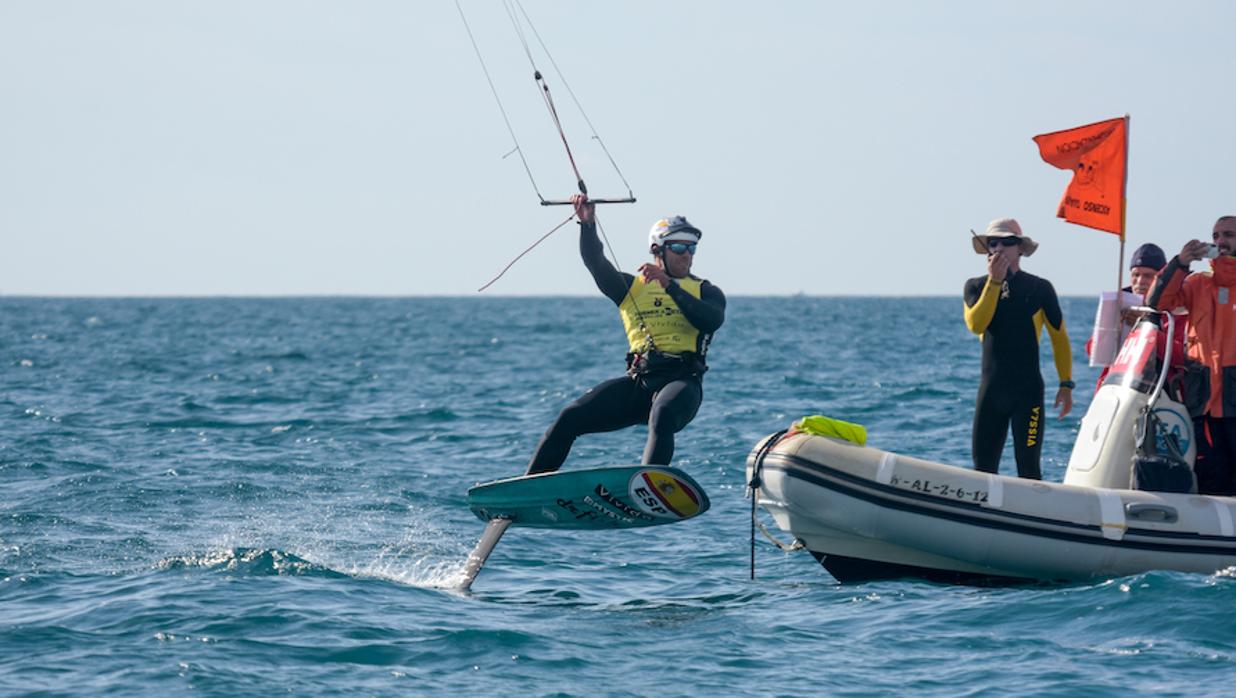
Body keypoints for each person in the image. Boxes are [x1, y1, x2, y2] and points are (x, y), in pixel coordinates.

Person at [524, 195, 726, 475]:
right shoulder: (630, 288)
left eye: (692, 248)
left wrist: (670, 287)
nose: (686, 254)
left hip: (683, 384)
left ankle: (650, 484)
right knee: (570, 418)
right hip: (640, 382)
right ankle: (528, 488)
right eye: (679, 247)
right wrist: (587, 223)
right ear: (658, 249)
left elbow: (711, 320)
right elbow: (595, 262)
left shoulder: (707, 291)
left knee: (663, 412)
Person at [963, 218, 1073, 480]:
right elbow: (977, 325)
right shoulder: (975, 286)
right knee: (983, 471)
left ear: (1020, 248)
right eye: (993, 242)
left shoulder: (1039, 288)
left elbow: (1059, 338)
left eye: (1008, 242)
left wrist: (1066, 384)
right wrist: (995, 282)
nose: (1000, 247)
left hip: (1028, 394)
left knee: (1029, 470)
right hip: (992, 392)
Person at [1148, 216, 1236, 495]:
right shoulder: (1197, 283)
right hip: (1205, 403)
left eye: (1229, 235)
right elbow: (1157, 303)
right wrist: (1180, 263)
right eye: (1216, 235)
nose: (1221, 241)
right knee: (1212, 479)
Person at [1084, 243, 1168, 391]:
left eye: (1148, 276)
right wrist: (1111, 327)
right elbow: (1092, 350)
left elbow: (1180, 355)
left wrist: (1146, 326)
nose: (1140, 281)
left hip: (1156, 390)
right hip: (1116, 387)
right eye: (1136, 275)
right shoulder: (1119, 303)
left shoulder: (1174, 309)